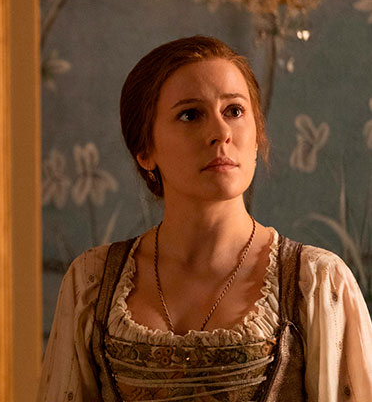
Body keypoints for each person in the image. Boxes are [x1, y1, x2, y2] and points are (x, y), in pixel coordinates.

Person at [38, 35, 372, 401]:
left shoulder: (317, 283)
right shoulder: (92, 284)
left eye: (234, 111)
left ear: (257, 135)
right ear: (145, 151)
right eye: (190, 115)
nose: (221, 133)